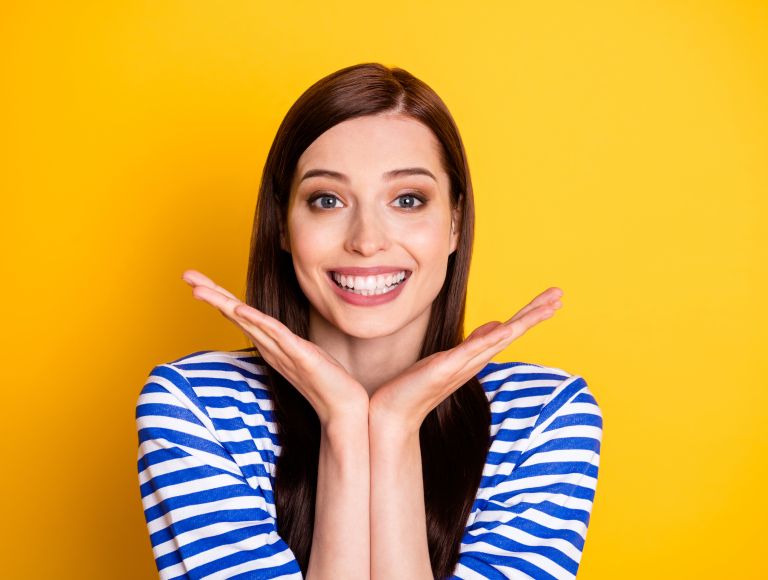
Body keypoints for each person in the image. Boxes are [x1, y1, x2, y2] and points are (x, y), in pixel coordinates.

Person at [135, 62, 603, 580]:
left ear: (454, 224)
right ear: (284, 226)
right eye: (327, 200)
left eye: (407, 200)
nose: (366, 240)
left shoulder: (540, 416)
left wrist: (395, 426)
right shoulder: (196, 407)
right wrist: (343, 423)